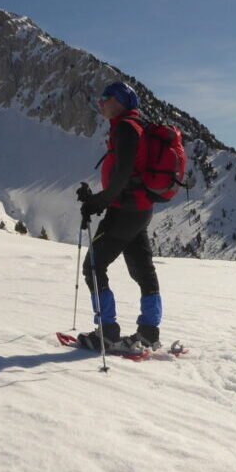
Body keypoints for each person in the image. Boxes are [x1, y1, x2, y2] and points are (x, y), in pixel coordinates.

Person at [76, 81, 162, 353]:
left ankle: (108, 332)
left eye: (105, 97)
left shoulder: (126, 128)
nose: (100, 102)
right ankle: (149, 332)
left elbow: (122, 175)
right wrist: (99, 199)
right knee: (143, 270)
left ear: (120, 101)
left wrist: (97, 202)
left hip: (124, 211)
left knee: (93, 265)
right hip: (140, 209)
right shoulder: (134, 126)